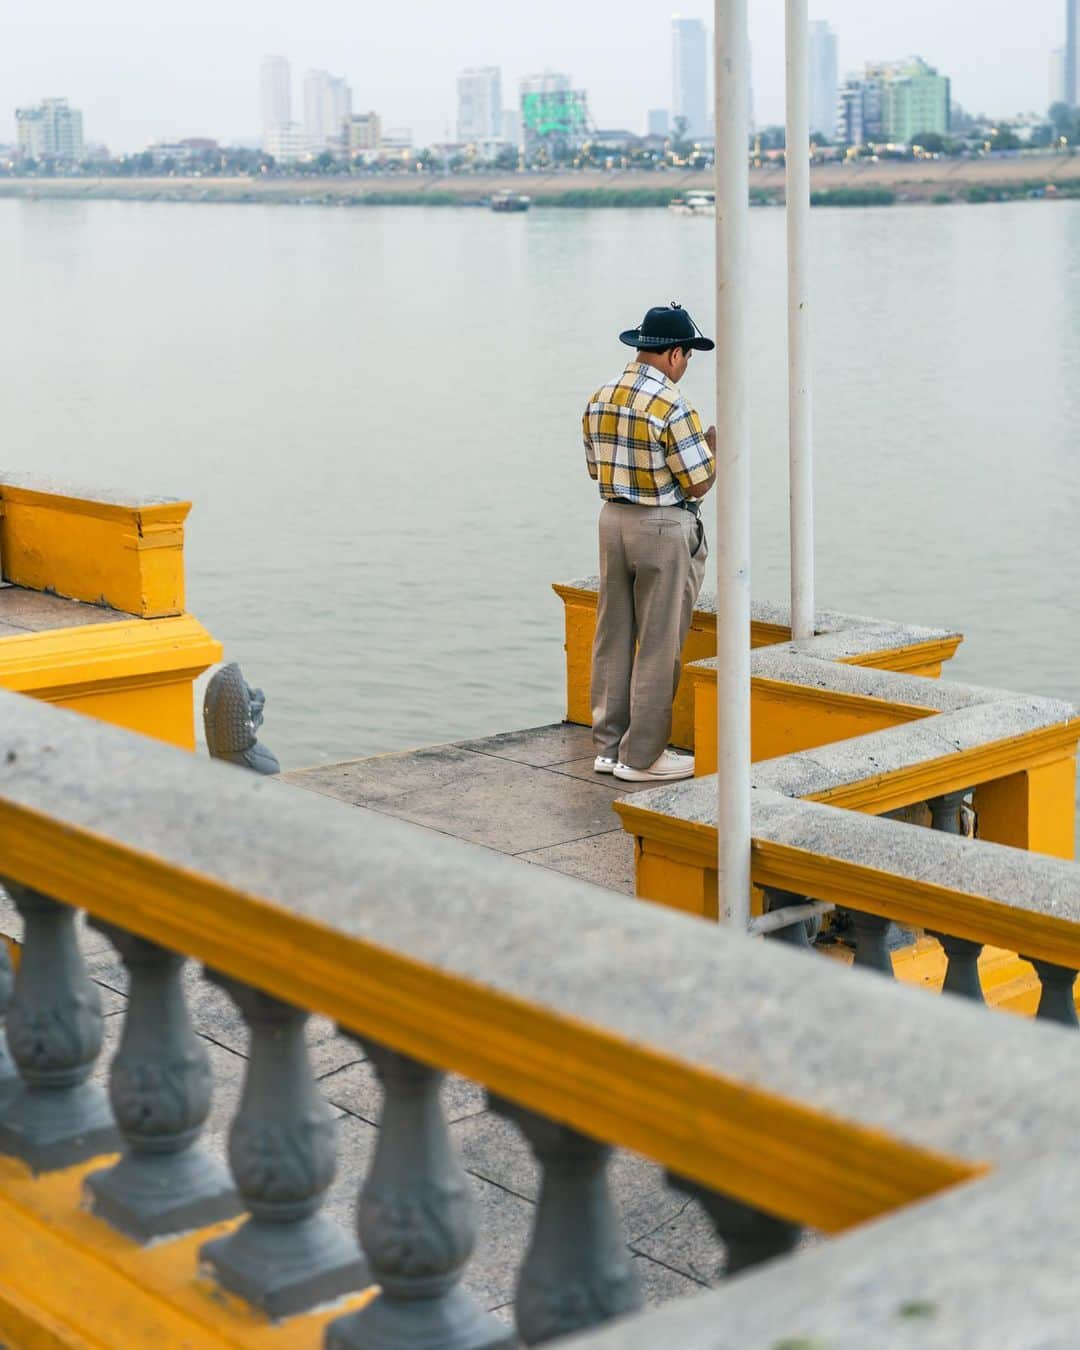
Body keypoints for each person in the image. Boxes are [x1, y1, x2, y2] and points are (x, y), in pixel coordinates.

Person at [582, 302, 717, 783]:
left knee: (611, 635)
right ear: (675, 355)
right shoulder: (672, 405)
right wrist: (713, 447)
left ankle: (607, 745)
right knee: (660, 641)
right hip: (661, 525)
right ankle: (642, 758)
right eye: (688, 357)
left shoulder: (600, 396)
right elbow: (698, 481)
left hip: (612, 518)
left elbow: (596, 468)